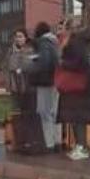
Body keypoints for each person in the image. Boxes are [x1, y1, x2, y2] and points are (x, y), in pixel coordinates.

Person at [57, 22, 90, 161]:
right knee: (78, 117)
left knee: (76, 116)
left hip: (74, 84)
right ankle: (80, 145)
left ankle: (80, 146)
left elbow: (78, 62)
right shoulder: (85, 42)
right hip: (83, 84)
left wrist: (63, 63)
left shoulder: (75, 43)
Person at [24, 22, 60, 151]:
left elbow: (43, 63)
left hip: (44, 82)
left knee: (44, 113)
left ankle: (49, 143)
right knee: (54, 112)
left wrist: (29, 67)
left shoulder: (43, 43)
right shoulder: (54, 42)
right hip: (55, 81)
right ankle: (57, 141)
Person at [5, 29, 35, 113]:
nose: (18, 39)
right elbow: (9, 66)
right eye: (16, 37)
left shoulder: (31, 50)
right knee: (16, 113)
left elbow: (30, 65)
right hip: (15, 87)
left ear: (25, 38)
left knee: (29, 113)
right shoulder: (11, 51)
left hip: (28, 88)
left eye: (20, 36)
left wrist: (22, 55)